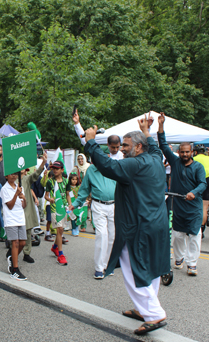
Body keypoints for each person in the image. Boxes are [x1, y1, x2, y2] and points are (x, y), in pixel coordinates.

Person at [82, 115, 169, 336]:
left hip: (139, 226)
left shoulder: (134, 164)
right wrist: (148, 130)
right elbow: (156, 148)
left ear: (139, 147)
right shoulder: (155, 158)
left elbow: (107, 166)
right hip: (157, 224)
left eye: (127, 146)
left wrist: (90, 141)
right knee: (152, 267)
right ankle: (145, 309)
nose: (122, 149)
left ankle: (153, 313)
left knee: (133, 268)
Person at [158, 115, 206, 276]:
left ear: (192, 152)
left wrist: (194, 192)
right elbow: (163, 145)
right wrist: (161, 126)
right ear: (179, 152)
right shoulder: (175, 161)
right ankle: (179, 258)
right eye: (182, 152)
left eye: (187, 152)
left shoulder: (198, 167)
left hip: (194, 207)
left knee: (194, 235)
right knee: (178, 235)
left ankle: (192, 264)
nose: (185, 154)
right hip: (178, 205)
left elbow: (202, 184)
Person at [69, 160, 116, 278]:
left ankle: (107, 265)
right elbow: (84, 189)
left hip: (114, 205)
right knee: (102, 234)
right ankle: (99, 268)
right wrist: (75, 203)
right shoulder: (91, 170)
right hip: (98, 205)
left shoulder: (112, 167)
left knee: (113, 236)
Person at [1, 172, 27, 280]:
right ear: (6, 176)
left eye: (15, 174)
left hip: (20, 218)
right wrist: (16, 194)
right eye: (11, 174)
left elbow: (24, 205)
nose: (14, 176)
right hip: (10, 219)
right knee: (15, 242)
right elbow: (10, 206)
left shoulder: (20, 187)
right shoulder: (4, 189)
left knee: (22, 243)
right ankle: (14, 270)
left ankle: (11, 256)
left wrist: (23, 198)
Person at [21, 155, 47, 263]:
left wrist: (43, 163)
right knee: (15, 234)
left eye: (25, 169)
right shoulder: (10, 179)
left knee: (27, 231)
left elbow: (36, 174)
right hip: (13, 210)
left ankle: (26, 253)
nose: (24, 171)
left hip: (25, 209)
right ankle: (11, 252)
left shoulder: (27, 179)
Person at [44, 161, 69, 265]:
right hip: (54, 208)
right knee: (59, 229)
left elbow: (67, 194)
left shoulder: (66, 181)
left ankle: (55, 247)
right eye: (53, 168)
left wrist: (70, 205)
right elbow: (46, 195)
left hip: (63, 208)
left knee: (61, 230)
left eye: (57, 168)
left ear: (62, 170)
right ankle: (61, 255)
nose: (54, 170)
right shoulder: (50, 182)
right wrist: (50, 199)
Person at [193, 145, 209, 238]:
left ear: (195, 152)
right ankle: (202, 229)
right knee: (205, 206)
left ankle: (195, 226)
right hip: (208, 180)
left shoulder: (194, 159)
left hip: (198, 181)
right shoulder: (208, 158)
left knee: (194, 204)